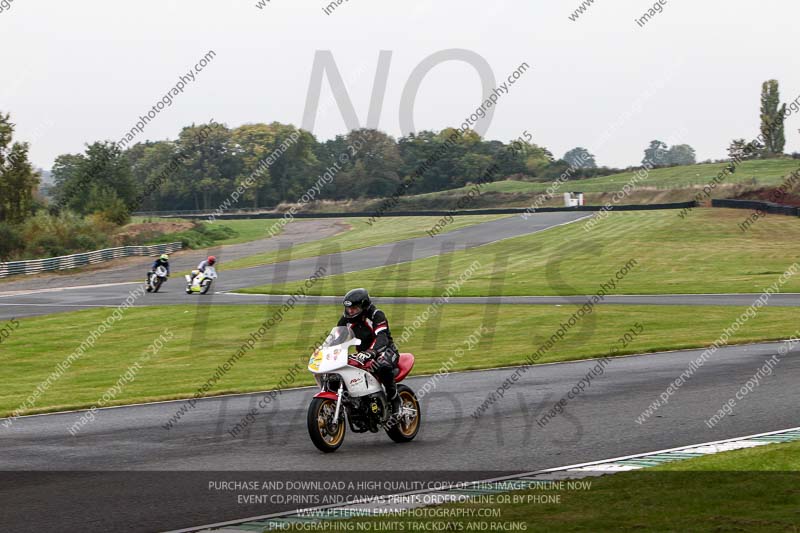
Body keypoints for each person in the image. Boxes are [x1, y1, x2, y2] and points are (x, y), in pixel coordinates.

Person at [337, 288, 402, 416]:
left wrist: (371, 352)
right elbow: (337, 337)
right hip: (363, 355)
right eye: (348, 308)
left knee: (382, 366)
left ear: (364, 306)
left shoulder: (376, 315)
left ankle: (395, 399)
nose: (350, 311)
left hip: (386, 351)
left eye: (354, 308)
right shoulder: (346, 320)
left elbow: (381, 337)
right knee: (342, 368)